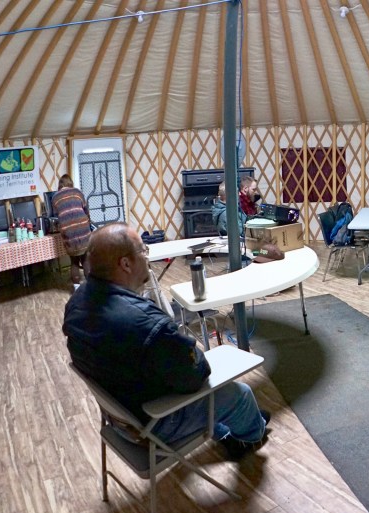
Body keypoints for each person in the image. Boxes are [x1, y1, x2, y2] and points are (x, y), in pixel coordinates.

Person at [63, 223, 268, 456]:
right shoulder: (146, 323)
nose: (147, 258)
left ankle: (225, 428)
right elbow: (196, 374)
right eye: (143, 251)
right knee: (240, 394)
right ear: (126, 264)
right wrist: (186, 349)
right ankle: (252, 437)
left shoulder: (76, 303)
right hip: (153, 424)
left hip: (118, 417)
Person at [51, 174, 92, 286]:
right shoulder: (78, 192)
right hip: (83, 229)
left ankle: (77, 288)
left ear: (60, 185)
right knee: (85, 259)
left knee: (74, 261)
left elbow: (56, 215)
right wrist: (89, 222)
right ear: (70, 183)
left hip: (68, 233)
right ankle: (90, 288)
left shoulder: (55, 197)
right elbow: (86, 210)